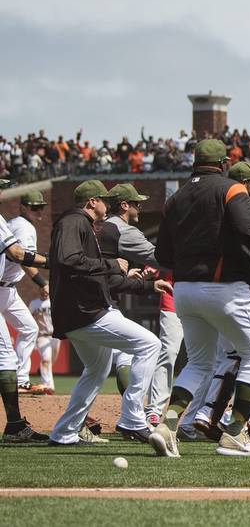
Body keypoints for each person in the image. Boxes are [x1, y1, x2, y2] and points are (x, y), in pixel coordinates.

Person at [153, 139, 250, 458]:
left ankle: (166, 425)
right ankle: (235, 433)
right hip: (224, 287)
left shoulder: (175, 198)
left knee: (198, 362)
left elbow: (162, 253)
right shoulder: (231, 189)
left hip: (184, 290)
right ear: (224, 163)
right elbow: (249, 228)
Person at [47, 180, 172, 452]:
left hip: (80, 310)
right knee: (149, 344)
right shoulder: (74, 221)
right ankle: (131, 418)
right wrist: (110, 263)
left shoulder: (85, 225)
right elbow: (68, 259)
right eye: (103, 198)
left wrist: (148, 286)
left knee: (97, 370)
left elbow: (103, 280)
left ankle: (64, 432)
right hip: (86, 311)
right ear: (92, 202)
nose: (107, 203)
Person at [97, 183, 160, 397]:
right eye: (136, 203)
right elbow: (158, 258)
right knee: (142, 347)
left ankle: (78, 421)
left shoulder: (101, 225)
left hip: (82, 299)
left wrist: (124, 275)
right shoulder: (121, 229)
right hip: (99, 305)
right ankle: (133, 416)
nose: (139, 208)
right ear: (124, 205)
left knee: (95, 369)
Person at [1, 189, 47, 394]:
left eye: (41, 207)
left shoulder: (11, 223)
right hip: (2, 287)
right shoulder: (24, 226)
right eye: (34, 207)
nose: (39, 211)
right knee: (6, 351)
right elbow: (20, 257)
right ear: (23, 207)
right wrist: (42, 281)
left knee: (29, 328)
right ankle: (16, 381)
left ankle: (20, 379)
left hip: (8, 290)